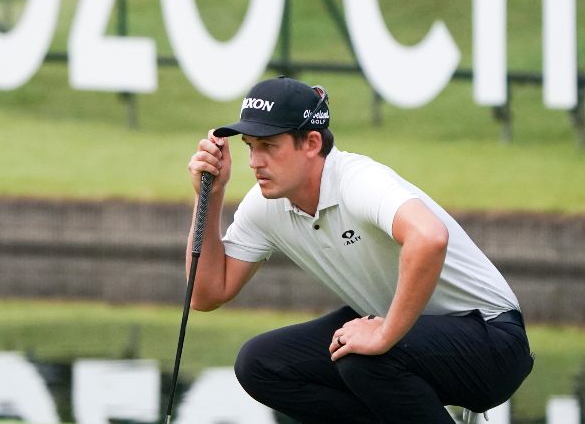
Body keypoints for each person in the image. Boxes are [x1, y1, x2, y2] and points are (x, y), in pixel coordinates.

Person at [184, 76, 533, 424]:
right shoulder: (265, 204)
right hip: (408, 336)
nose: (254, 162)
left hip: (492, 342)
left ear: (311, 143)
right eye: (250, 146)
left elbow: (429, 238)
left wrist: (383, 335)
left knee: (361, 356)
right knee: (260, 364)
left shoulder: (357, 180)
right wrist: (209, 198)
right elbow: (206, 293)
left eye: (268, 146)